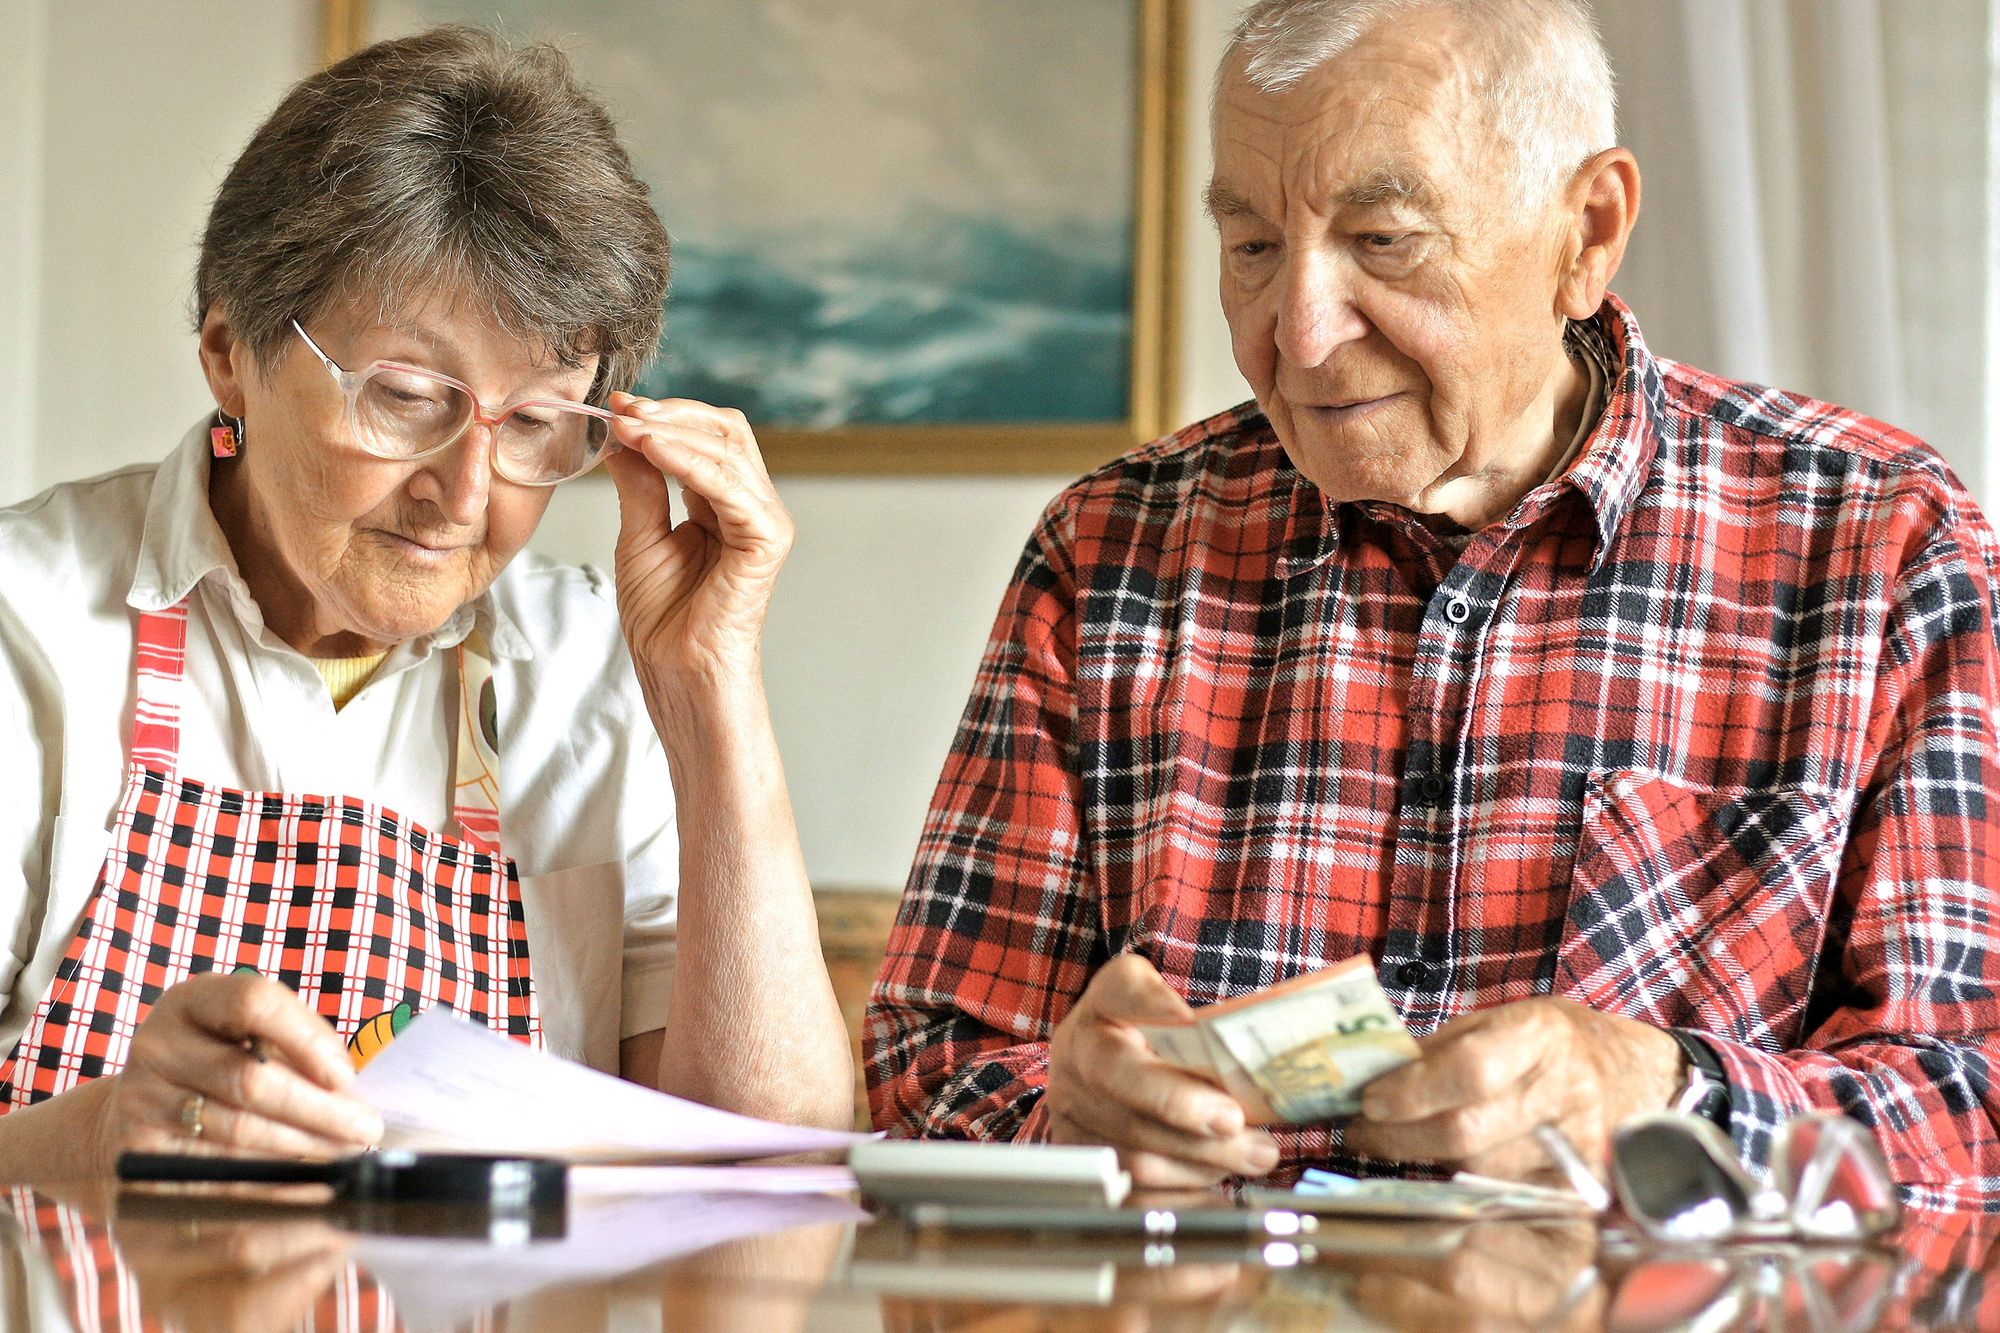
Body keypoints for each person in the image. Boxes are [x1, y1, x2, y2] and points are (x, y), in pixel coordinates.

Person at [866, 0, 2000, 1204]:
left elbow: (1970, 1108)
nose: (1295, 336)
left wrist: (1665, 1096)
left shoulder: (1880, 542)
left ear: (1587, 231)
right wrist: (1061, 1123)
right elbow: (922, 1077)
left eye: (1384, 240)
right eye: (1250, 246)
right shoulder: (1108, 552)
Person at [0, 25, 852, 1176]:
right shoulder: (28, 627)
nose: (463, 492)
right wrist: (98, 1136)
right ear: (227, 350)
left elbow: (772, 1171)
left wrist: (715, 692)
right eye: (405, 397)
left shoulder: (593, 671)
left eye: (540, 424)